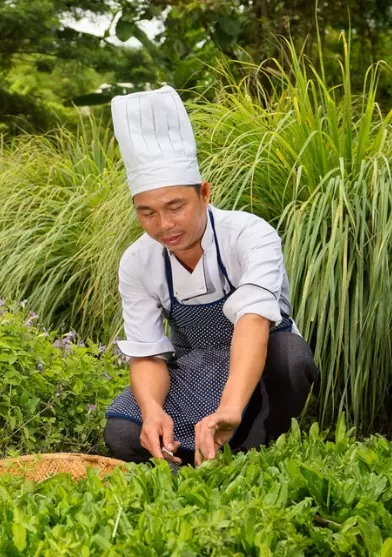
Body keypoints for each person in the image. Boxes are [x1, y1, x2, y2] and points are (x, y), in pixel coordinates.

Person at [103, 86, 319, 468]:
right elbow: (148, 352)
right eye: (147, 212)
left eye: (175, 207)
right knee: (122, 431)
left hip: (257, 359)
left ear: (204, 193)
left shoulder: (250, 235)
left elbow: (253, 321)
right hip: (194, 367)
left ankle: (256, 444)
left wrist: (230, 409)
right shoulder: (137, 262)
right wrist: (152, 411)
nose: (164, 226)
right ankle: (187, 454)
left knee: (291, 357)